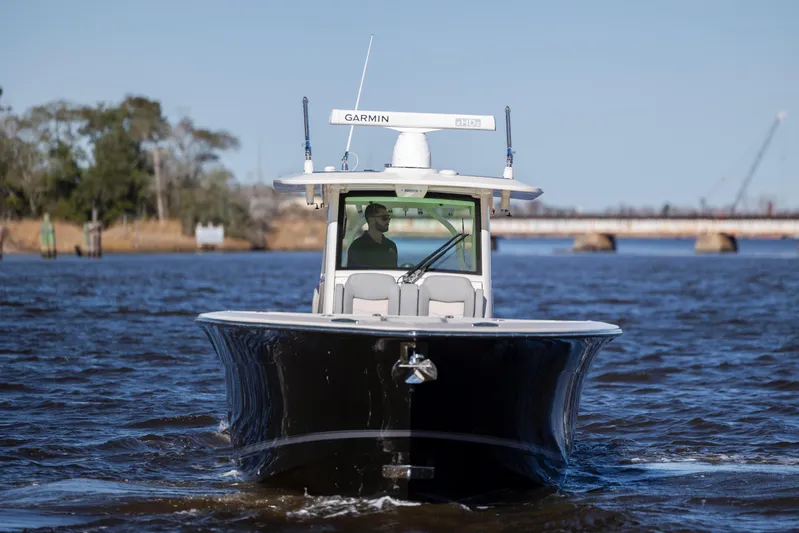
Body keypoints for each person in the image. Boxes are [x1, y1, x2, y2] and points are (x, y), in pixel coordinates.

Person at [347, 203, 398, 269]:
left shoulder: (391, 246)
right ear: (371, 219)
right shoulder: (357, 247)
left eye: (388, 218)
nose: (388, 221)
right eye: (384, 218)